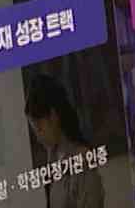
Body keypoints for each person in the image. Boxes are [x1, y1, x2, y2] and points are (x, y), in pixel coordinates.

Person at [25, 72, 105, 208]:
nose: (38, 137)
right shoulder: (54, 158)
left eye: (39, 128)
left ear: (53, 116)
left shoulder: (82, 162)